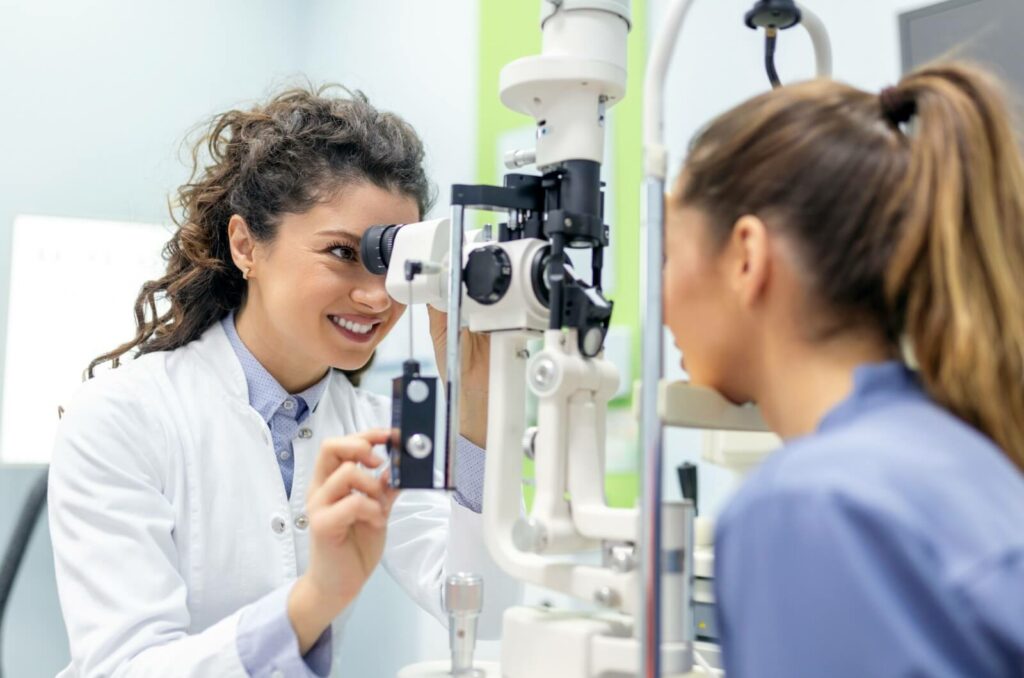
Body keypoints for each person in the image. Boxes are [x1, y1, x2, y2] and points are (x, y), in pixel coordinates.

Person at [47, 85, 518, 677]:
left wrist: (477, 404)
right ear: (246, 245)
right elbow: (123, 667)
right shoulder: (120, 416)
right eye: (343, 252)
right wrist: (314, 598)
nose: (376, 297)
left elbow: (483, 608)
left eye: (393, 265)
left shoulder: (381, 427)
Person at [663, 62, 1024, 676]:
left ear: (747, 258)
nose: (662, 294)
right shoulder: (963, 454)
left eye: (668, 253)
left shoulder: (808, 509)